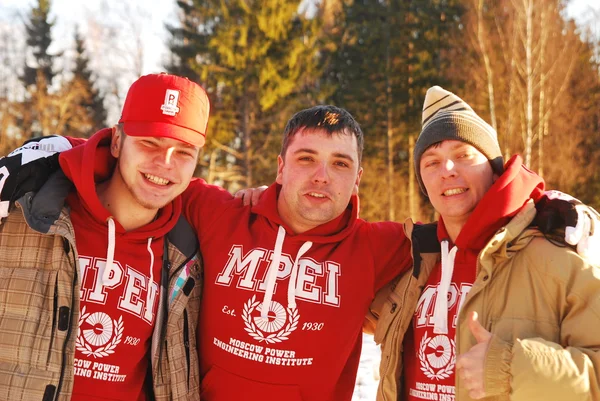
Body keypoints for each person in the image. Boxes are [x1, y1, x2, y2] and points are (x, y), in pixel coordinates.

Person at [1, 101, 597, 401]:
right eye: (307, 159)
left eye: (340, 165)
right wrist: (56, 156)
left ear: (357, 179)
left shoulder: (384, 247)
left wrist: (542, 205)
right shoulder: (215, 211)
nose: (321, 177)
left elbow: (472, 222)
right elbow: (151, 166)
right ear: (280, 166)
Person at [366, 86, 600, 401]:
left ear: (494, 170)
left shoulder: (560, 253)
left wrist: (509, 368)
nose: (447, 171)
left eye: (463, 155)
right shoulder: (412, 262)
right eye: (431, 162)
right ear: (423, 183)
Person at [0, 73, 208, 401]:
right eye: (149, 142)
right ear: (116, 142)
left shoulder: (186, 255)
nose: (165, 163)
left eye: (183, 152)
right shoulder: (26, 213)